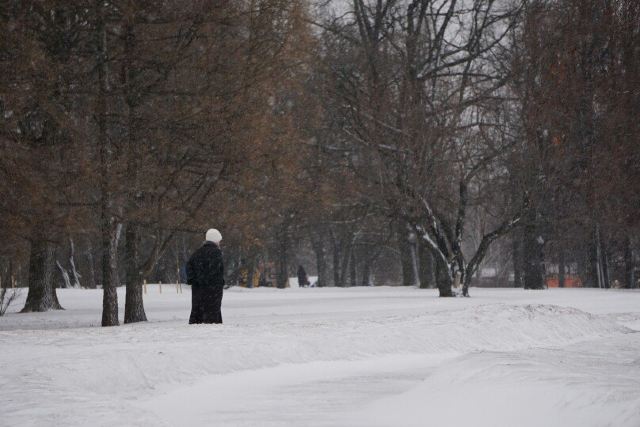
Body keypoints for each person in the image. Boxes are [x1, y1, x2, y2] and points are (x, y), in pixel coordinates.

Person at [186, 228, 225, 324]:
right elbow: (217, 271)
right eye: (219, 241)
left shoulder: (197, 253)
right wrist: (218, 282)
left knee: (198, 312)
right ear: (215, 240)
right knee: (212, 315)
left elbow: (189, 266)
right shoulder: (216, 253)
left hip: (198, 291)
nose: (219, 243)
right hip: (213, 291)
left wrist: (194, 280)